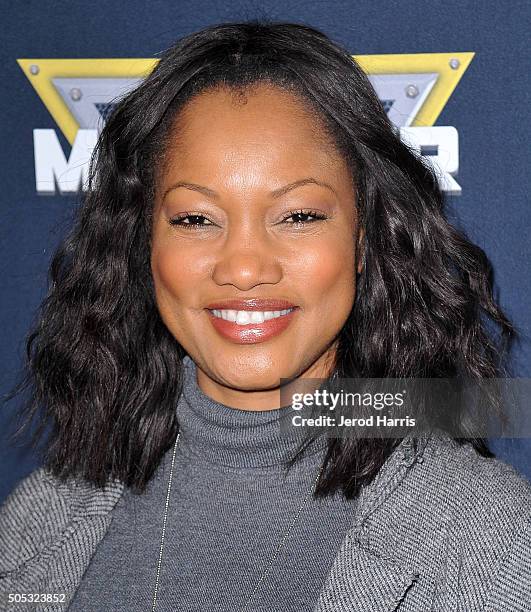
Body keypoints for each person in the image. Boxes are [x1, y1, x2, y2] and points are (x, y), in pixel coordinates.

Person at [1, 19, 530, 612]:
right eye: (196, 219)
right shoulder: (42, 517)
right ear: (143, 244)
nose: (244, 267)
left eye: (299, 216)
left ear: (365, 238)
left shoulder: (482, 538)